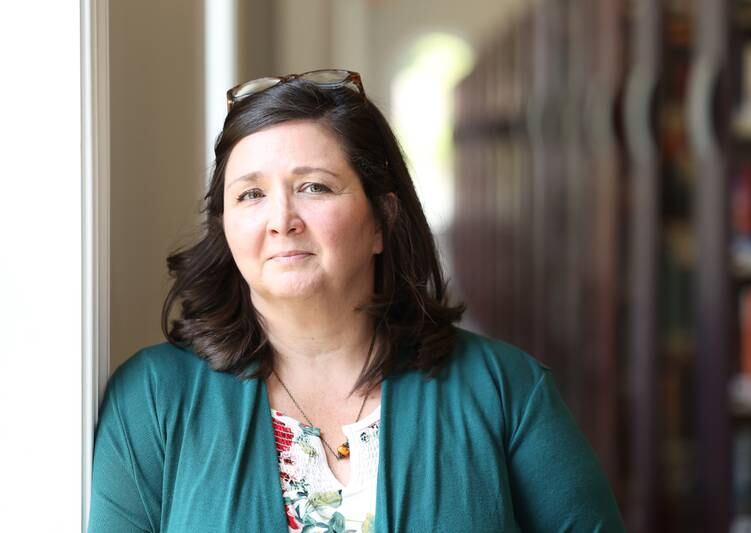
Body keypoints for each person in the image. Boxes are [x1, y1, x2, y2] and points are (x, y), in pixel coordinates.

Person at [88, 69, 625, 532]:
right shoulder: (153, 401)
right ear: (225, 228)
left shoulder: (505, 391)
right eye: (251, 194)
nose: (281, 220)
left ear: (381, 221)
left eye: (315, 187)